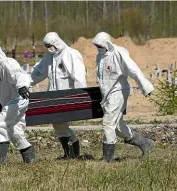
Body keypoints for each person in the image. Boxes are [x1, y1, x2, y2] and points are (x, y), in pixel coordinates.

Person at [92, 32, 155, 162]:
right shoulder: (99, 56)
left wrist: (145, 86)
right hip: (107, 95)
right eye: (96, 45)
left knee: (108, 124)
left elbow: (133, 70)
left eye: (99, 44)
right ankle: (144, 143)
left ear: (106, 44)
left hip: (119, 92)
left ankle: (107, 160)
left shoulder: (119, 53)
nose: (97, 47)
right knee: (117, 126)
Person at [30, 32, 88, 159]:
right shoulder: (49, 58)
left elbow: (79, 77)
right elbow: (38, 73)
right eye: (47, 46)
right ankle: (70, 152)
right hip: (53, 98)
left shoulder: (71, 54)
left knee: (61, 123)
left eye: (51, 45)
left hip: (68, 97)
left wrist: (80, 98)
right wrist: (24, 83)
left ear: (57, 42)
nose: (49, 48)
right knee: (57, 124)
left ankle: (73, 151)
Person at [0, 44, 36, 164]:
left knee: (0, 124)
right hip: (13, 101)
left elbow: (19, 74)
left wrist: (22, 85)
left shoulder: (8, 62)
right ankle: (29, 156)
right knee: (14, 130)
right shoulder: (0, 67)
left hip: (17, 100)